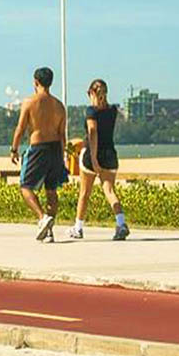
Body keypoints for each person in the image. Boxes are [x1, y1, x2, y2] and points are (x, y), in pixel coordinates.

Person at [10, 66, 69, 242]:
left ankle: (43, 217)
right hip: (55, 149)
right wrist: (62, 154)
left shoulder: (30, 102)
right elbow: (62, 134)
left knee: (26, 187)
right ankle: (49, 231)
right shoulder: (59, 106)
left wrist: (14, 149)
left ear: (36, 82)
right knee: (51, 190)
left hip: (38, 148)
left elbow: (20, 128)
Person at [68, 78, 130, 241]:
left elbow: (93, 132)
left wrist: (94, 159)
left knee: (84, 193)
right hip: (110, 154)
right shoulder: (113, 110)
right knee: (109, 191)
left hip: (92, 155)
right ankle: (121, 223)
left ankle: (78, 227)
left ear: (91, 93)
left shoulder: (91, 111)